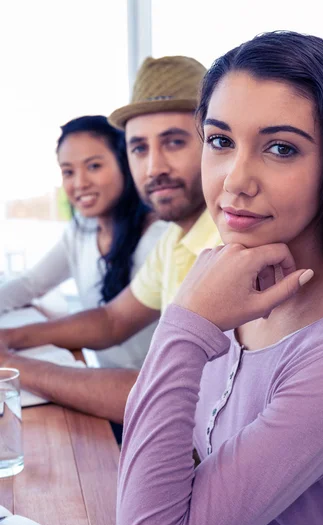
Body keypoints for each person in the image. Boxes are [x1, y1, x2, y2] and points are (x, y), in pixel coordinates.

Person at [116, 32, 323, 525]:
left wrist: (184, 323)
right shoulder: (242, 291)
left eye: (281, 148)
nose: (235, 180)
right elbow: (201, 505)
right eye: (220, 140)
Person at [0, 56, 220, 423]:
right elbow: (112, 320)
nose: (154, 168)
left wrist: (10, 364)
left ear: (217, 143)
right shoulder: (177, 238)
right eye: (139, 148)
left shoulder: (225, 245)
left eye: (175, 142)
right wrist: (11, 338)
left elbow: (161, 397)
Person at [0, 115, 167, 369]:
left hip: (149, 394)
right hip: (105, 385)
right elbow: (31, 283)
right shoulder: (81, 231)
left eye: (94, 166)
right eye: (68, 172)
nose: (79, 183)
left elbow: (112, 322)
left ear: (125, 164)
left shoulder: (159, 238)